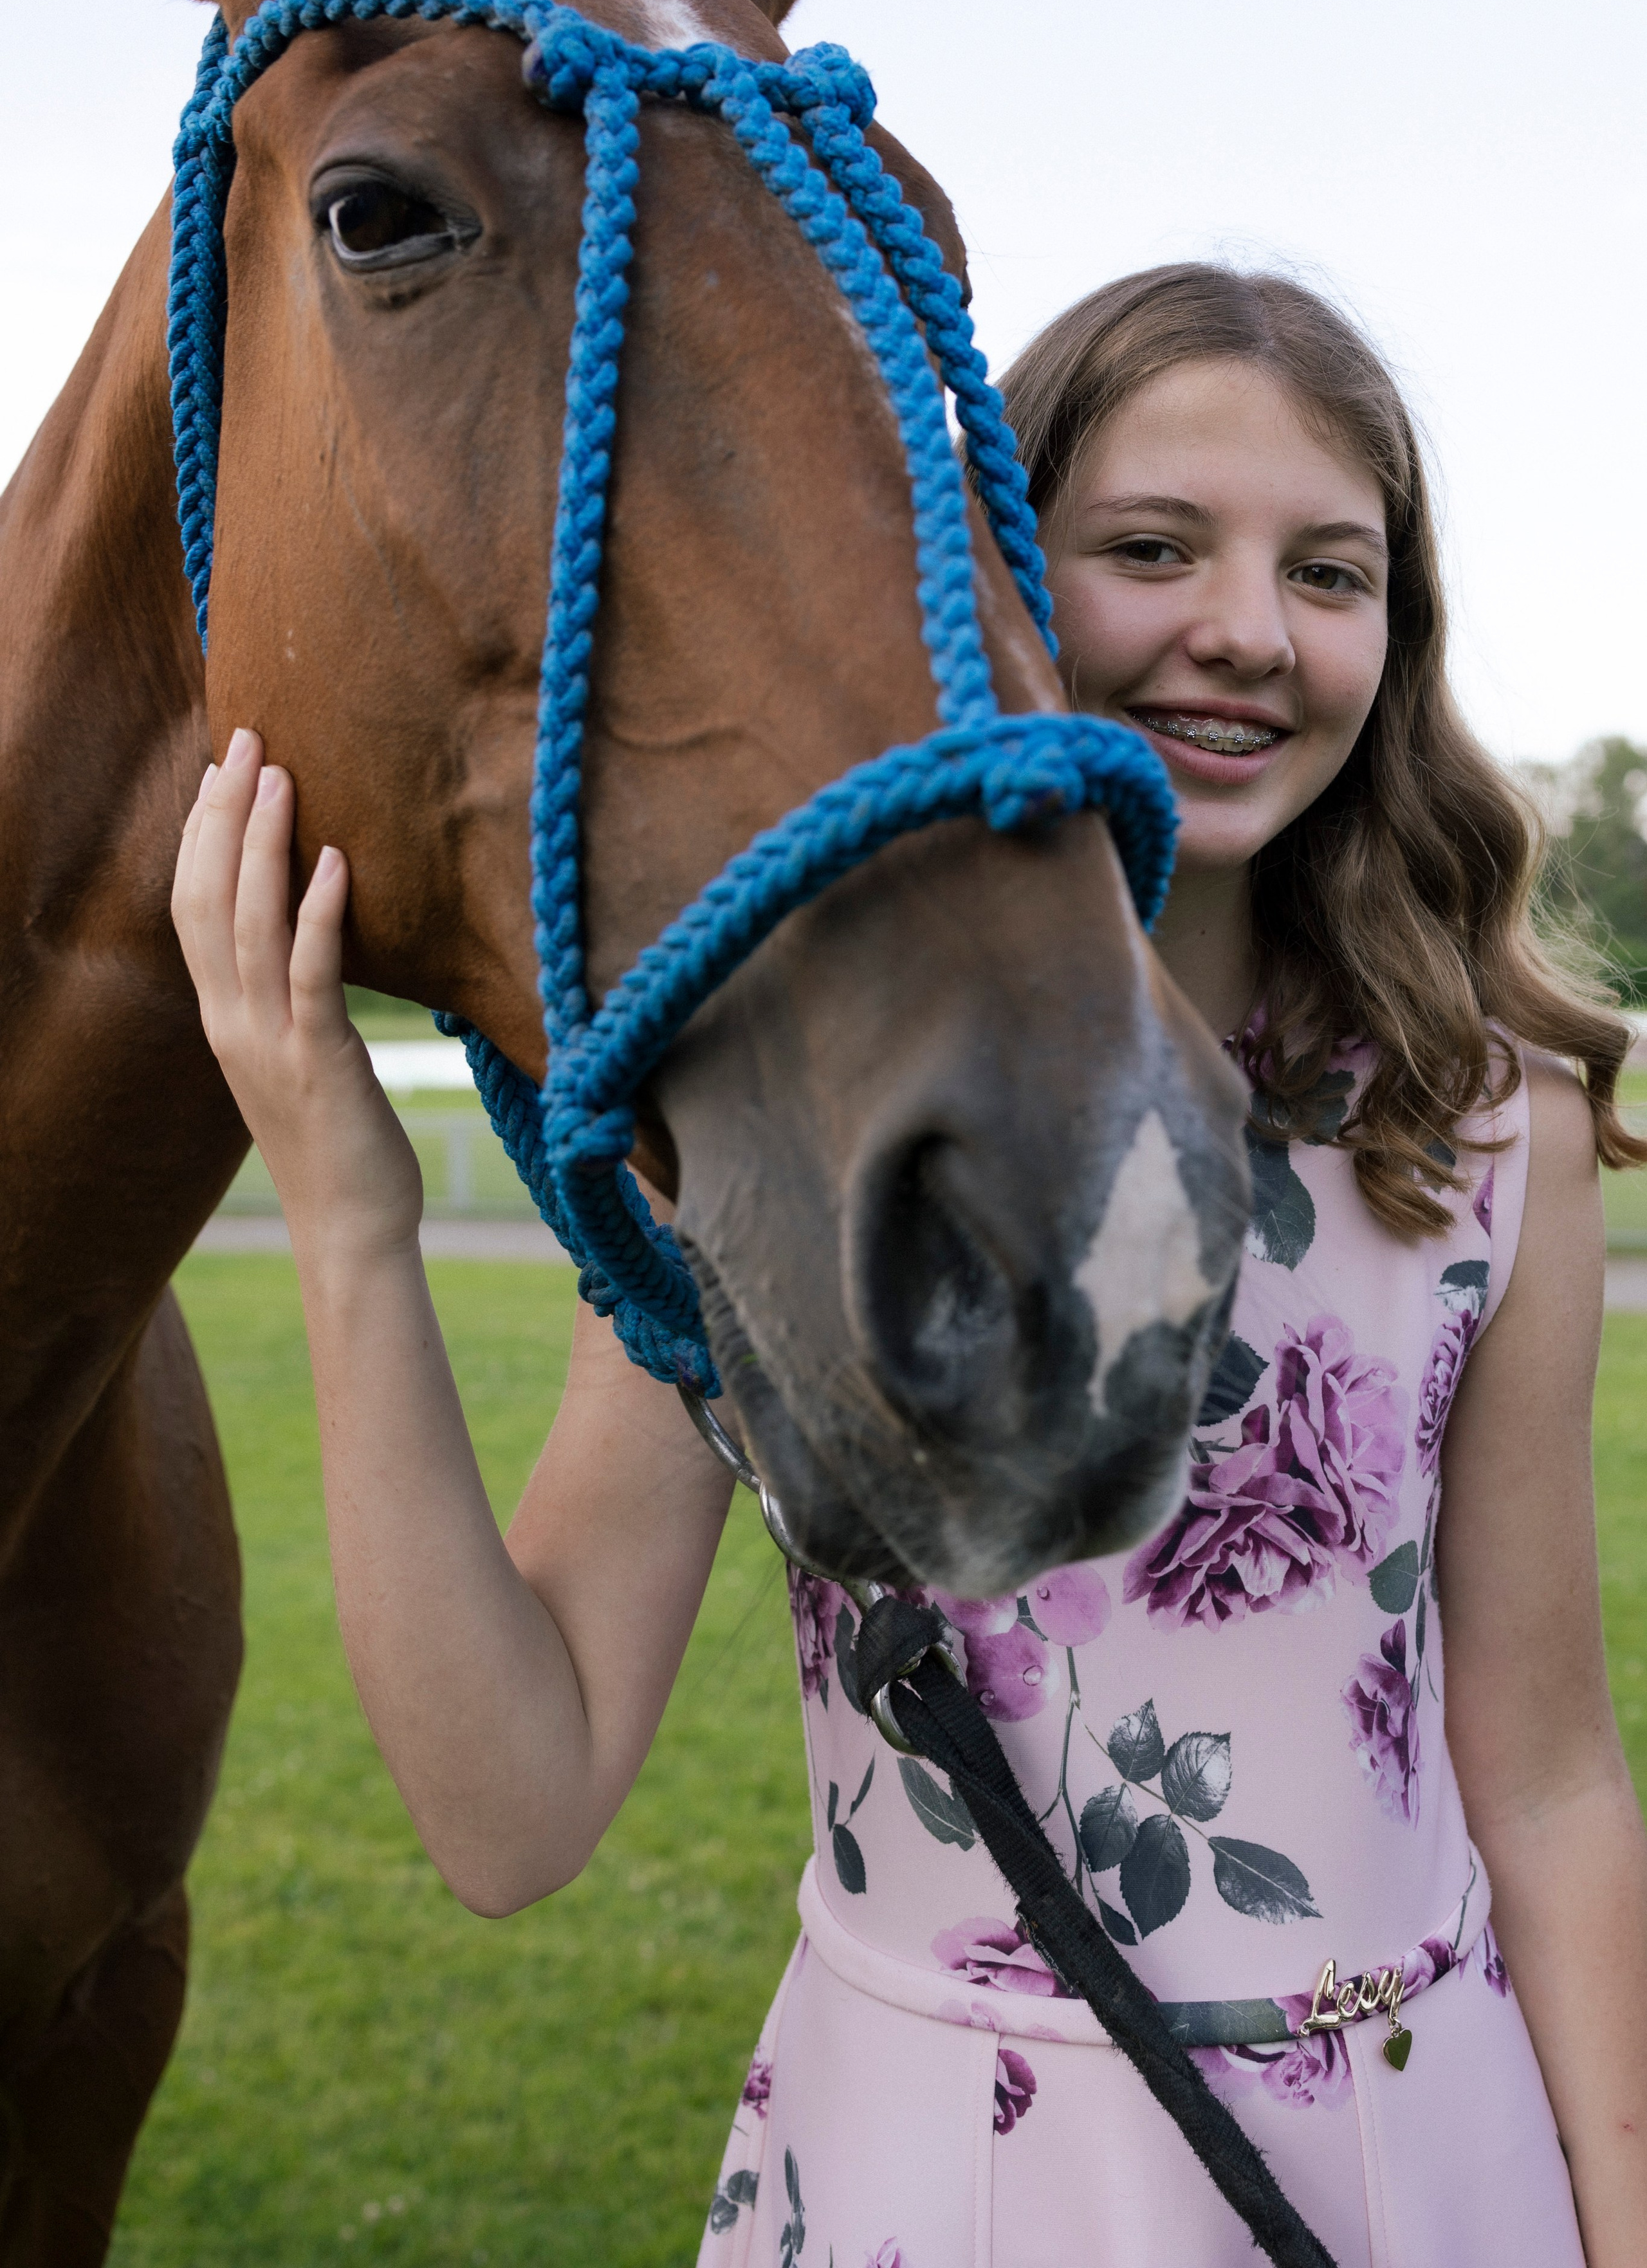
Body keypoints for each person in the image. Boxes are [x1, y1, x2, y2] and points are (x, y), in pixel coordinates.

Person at [172, 263, 1647, 2267]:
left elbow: (1550, 1785)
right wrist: (346, 1214)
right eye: (1151, 548)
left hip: (1412, 2170)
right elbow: (508, 1815)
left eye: (1330, 571)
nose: (1245, 630)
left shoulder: (1493, 1140)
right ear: (994, 589)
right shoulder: (782, 1129)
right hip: (922, 2174)